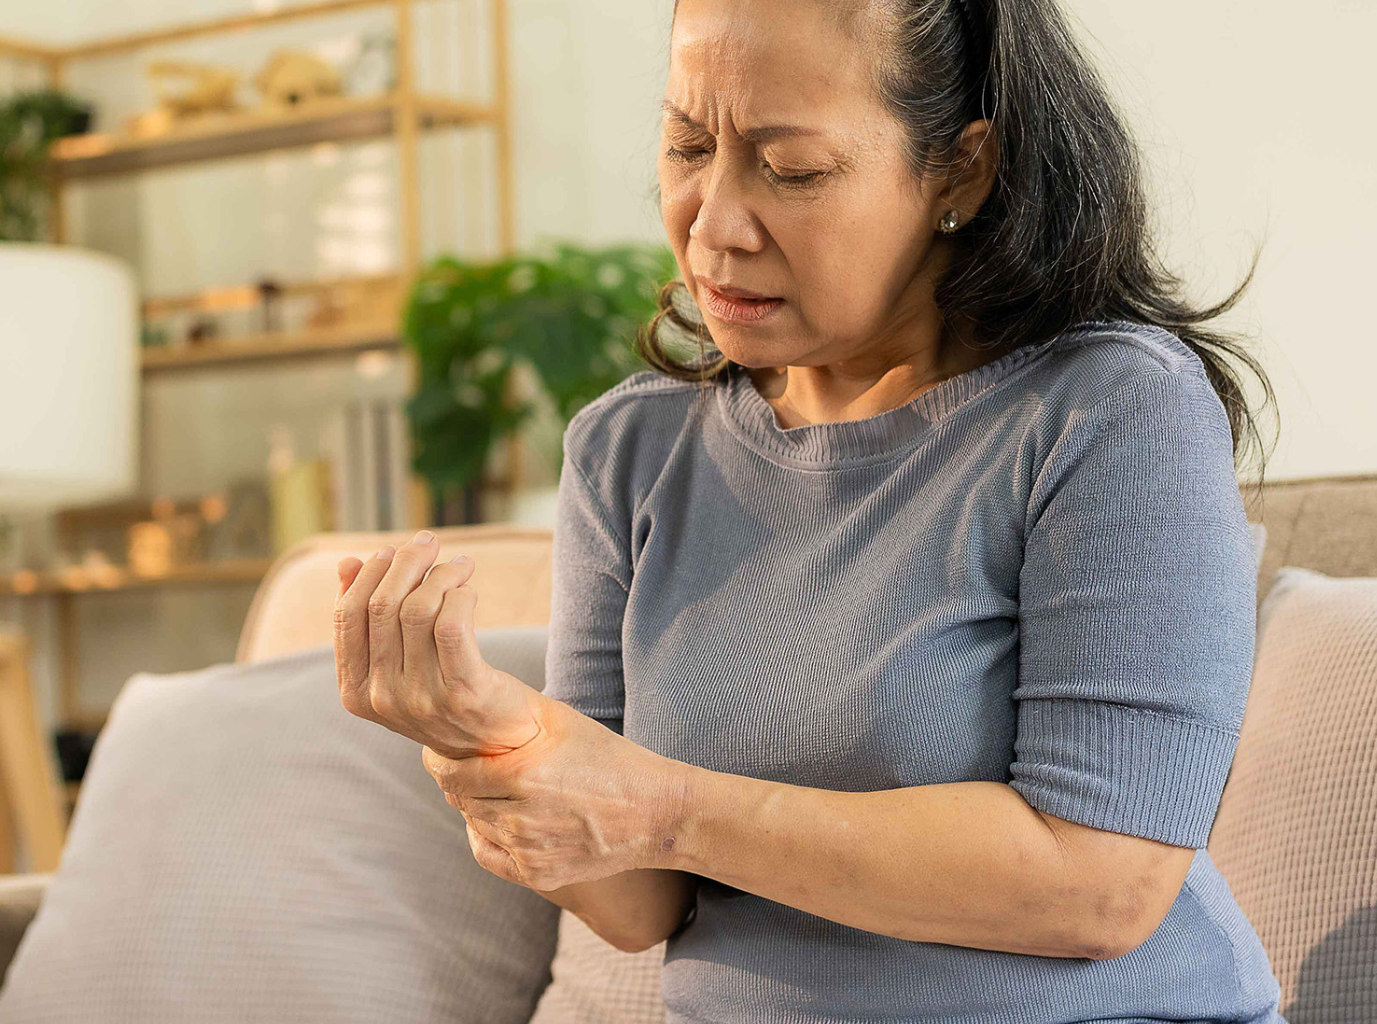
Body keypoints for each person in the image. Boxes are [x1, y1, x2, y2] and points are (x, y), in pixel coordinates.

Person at [333, 0, 1287, 1020]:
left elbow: (1101, 884)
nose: (710, 224)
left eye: (790, 169)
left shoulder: (1106, 407)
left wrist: (670, 807)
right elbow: (637, 904)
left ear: (960, 170)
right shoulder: (629, 451)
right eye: (687, 146)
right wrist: (484, 731)